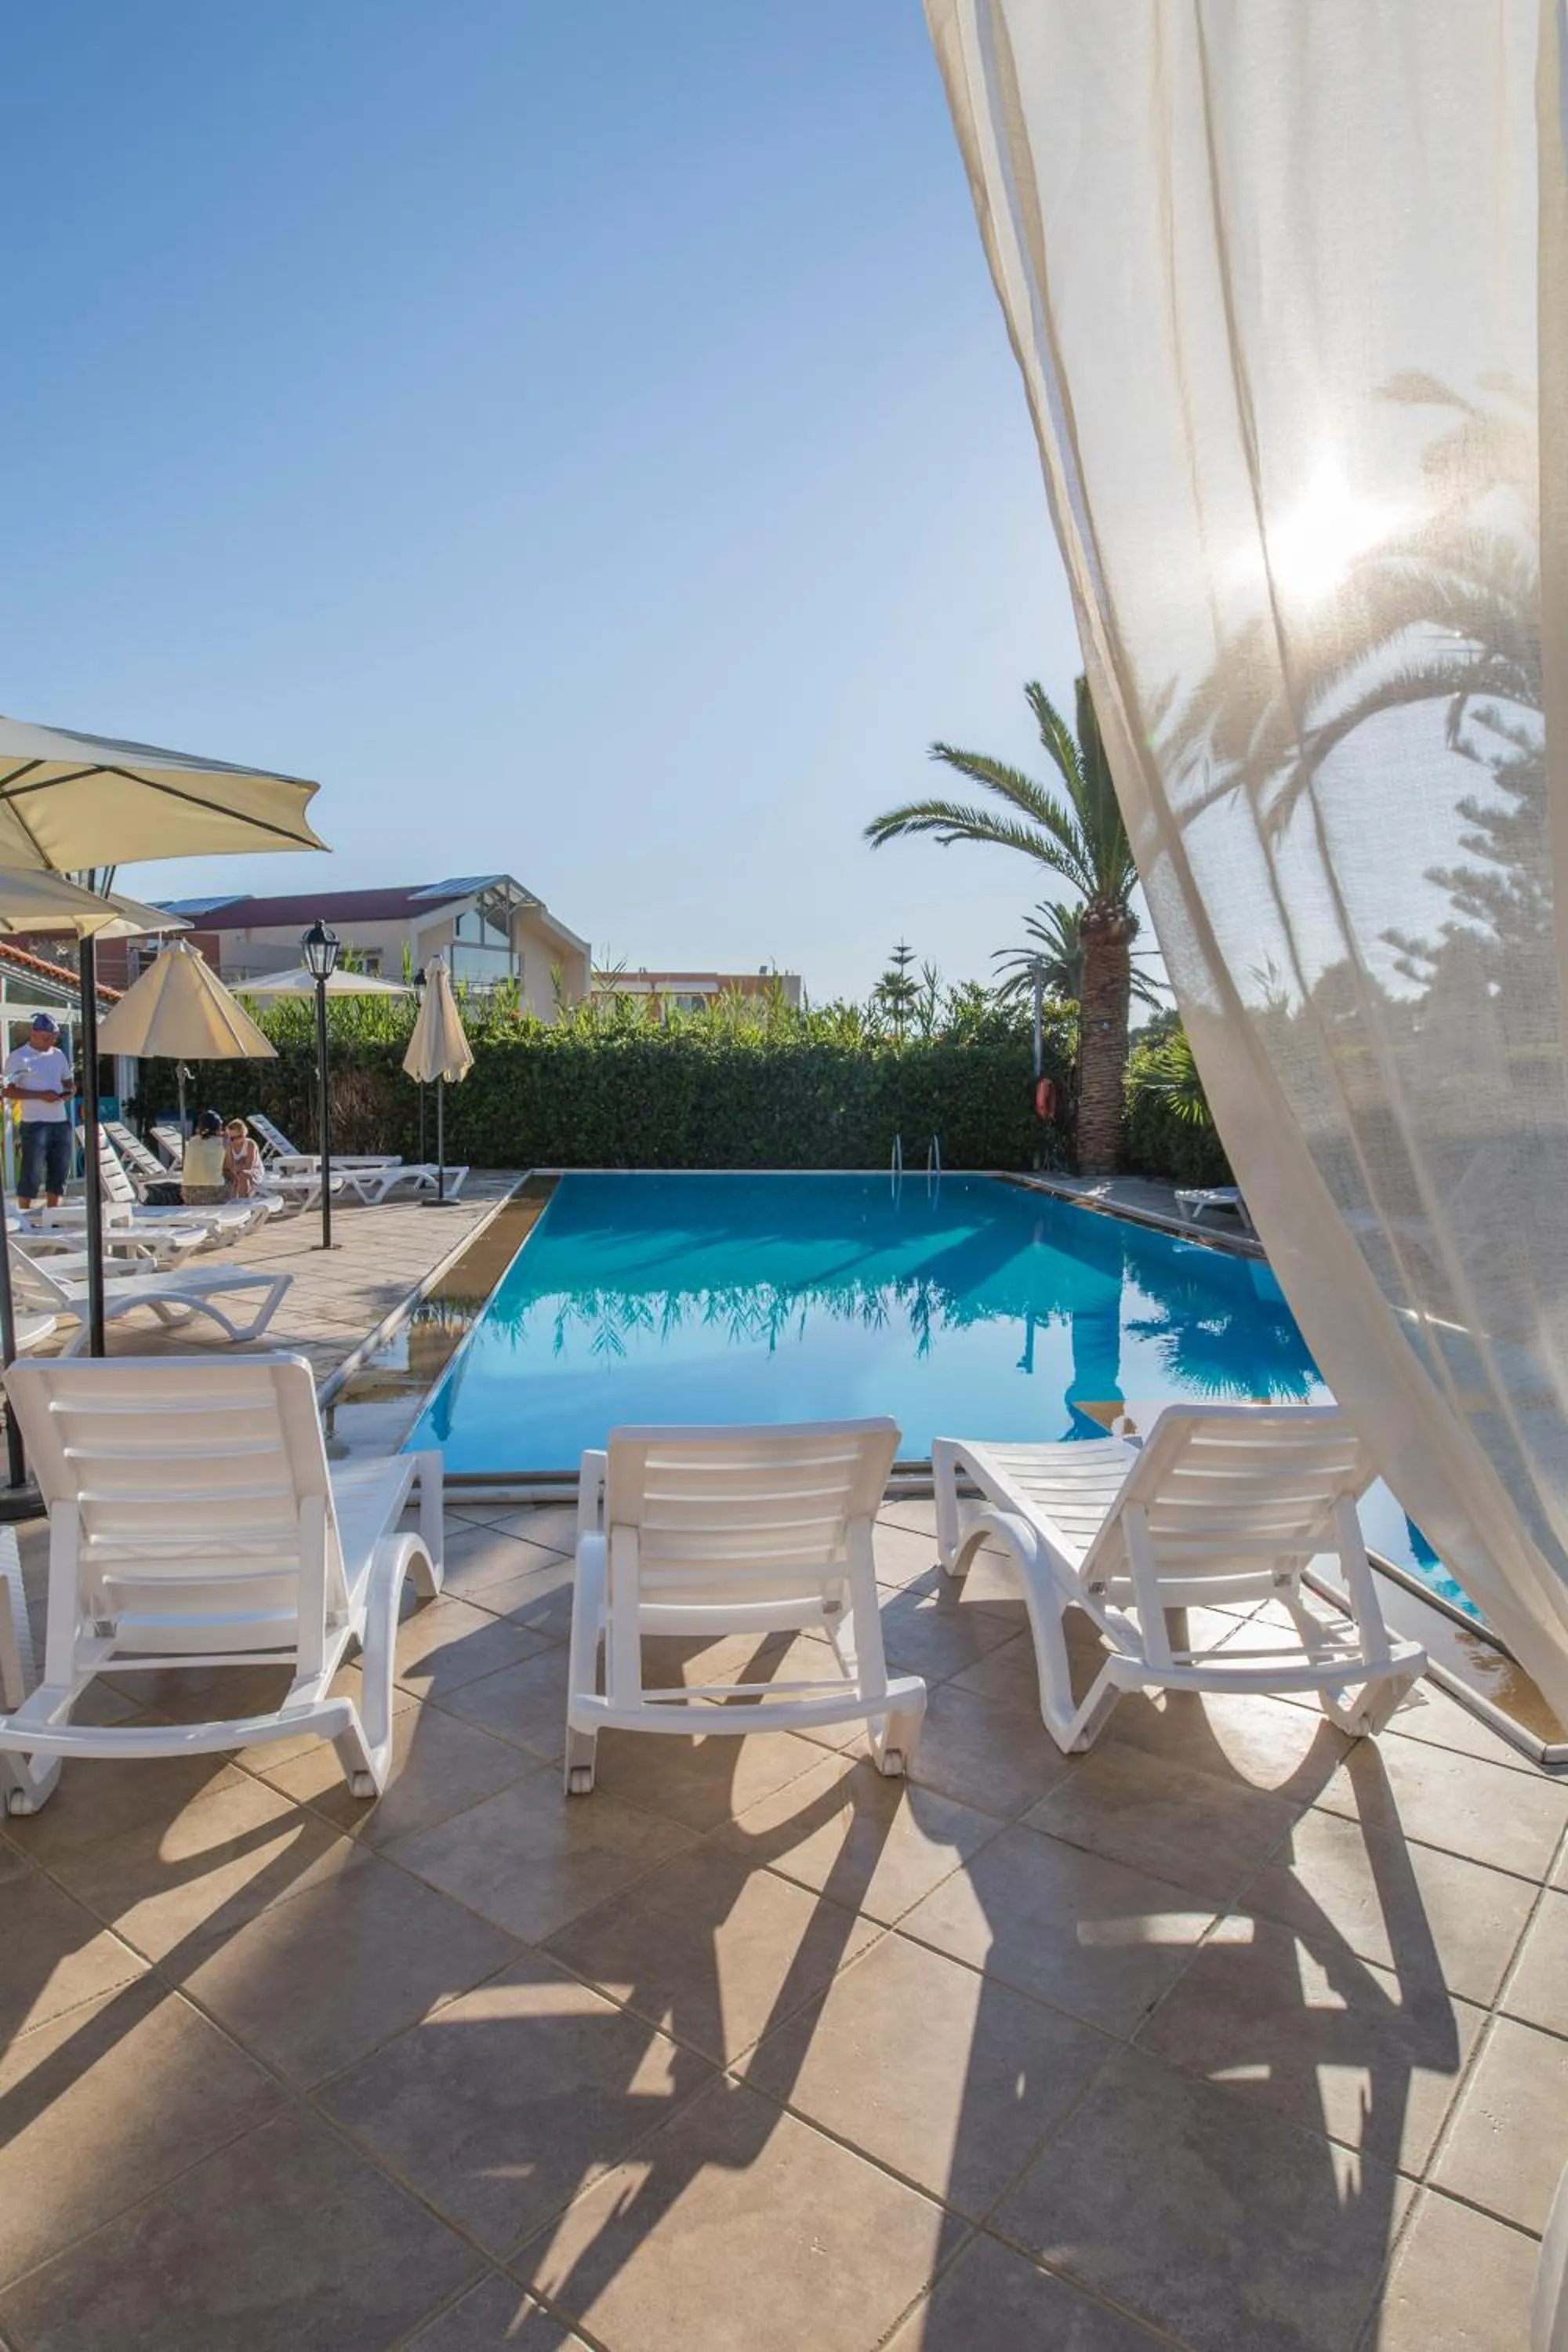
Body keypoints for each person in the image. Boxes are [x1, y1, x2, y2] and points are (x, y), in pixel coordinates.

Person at [4, 1013, 77, 1209]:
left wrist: (70, 1090)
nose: (50, 1043)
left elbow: (67, 1080)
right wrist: (40, 1095)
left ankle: (54, 1214)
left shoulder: (58, 1055)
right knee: (32, 1172)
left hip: (61, 1122)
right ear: (34, 1034)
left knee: (59, 1171)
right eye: (46, 1038)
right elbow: (7, 1090)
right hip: (35, 1124)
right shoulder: (18, 1057)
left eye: (53, 1039)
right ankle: (24, 1216)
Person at [182, 1109, 229, 1207]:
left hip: (189, 1195)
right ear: (219, 1127)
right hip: (213, 1194)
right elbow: (229, 1167)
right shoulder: (223, 1142)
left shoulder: (192, 1142)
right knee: (233, 1178)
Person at [223, 1118, 263, 1200]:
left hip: (255, 1171)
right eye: (231, 1138)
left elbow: (248, 1166)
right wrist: (240, 1163)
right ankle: (233, 1202)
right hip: (237, 1171)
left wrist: (236, 1166)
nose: (233, 1141)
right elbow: (229, 1166)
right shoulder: (229, 1146)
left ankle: (244, 1201)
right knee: (230, 1176)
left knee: (242, 1175)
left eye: (238, 1137)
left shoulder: (250, 1144)